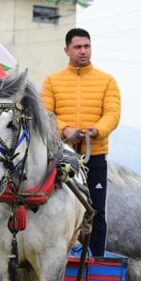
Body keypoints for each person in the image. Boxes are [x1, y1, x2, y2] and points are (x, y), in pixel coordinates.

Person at [41, 28, 121, 256]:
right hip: (59, 157)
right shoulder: (52, 82)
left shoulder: (107, 81)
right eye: (78, 47)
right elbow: (45, 113)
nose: (83, 51)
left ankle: (94, 258)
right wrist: (65, 128)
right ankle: (53, 253)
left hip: (93, 157)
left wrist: (97, 130)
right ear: (67, 50)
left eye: (87, 46)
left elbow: (113, 114)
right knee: (52, 207)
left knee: (95, 210)